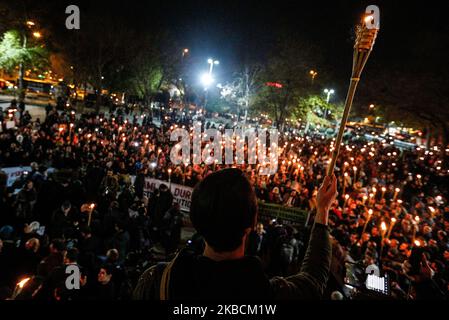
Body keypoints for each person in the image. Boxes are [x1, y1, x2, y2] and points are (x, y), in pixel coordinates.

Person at [133, 168, 337, 300]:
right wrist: (322, 210)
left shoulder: (158, 281)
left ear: (196, 220)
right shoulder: (269, 295)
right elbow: (313, 280)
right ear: (252, 222)